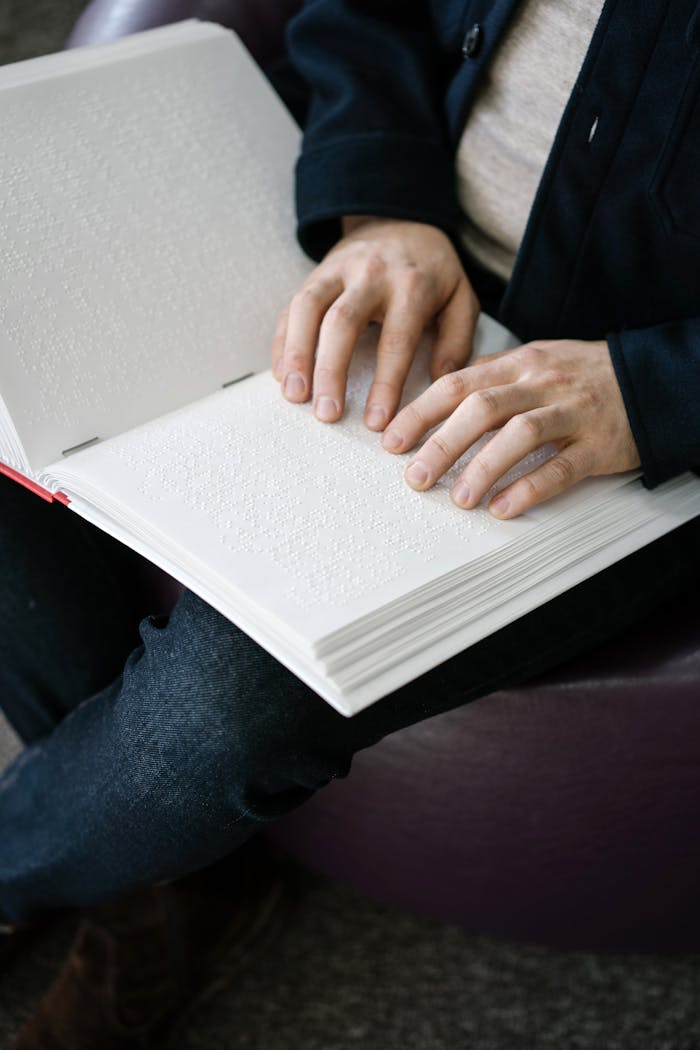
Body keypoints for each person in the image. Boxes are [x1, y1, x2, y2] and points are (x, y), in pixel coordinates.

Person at [2, 1, 700, 1046]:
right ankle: (152, 862)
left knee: (224, 712)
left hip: (616, 385)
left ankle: (89, 860)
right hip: (364, 199)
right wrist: (378, 204)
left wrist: (654, 392)